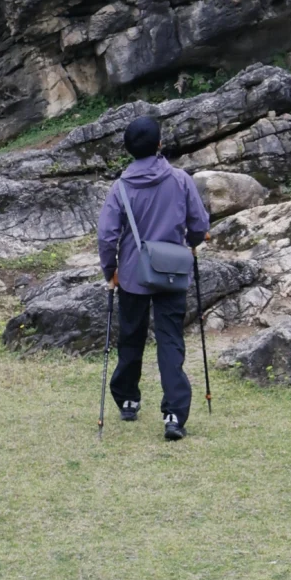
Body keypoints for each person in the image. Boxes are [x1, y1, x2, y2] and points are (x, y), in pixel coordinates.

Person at [97, 114, 210, 441]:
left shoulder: (120, 187)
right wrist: (188, 244)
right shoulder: (180, 180)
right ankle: (174, 414)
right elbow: (199, 227)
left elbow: (107, 236)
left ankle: (128, 399)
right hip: (172, 273)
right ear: (160, 144)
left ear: (129, 150)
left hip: (133, 273)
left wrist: (111, 271)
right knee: (171, 340)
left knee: (131, 336)